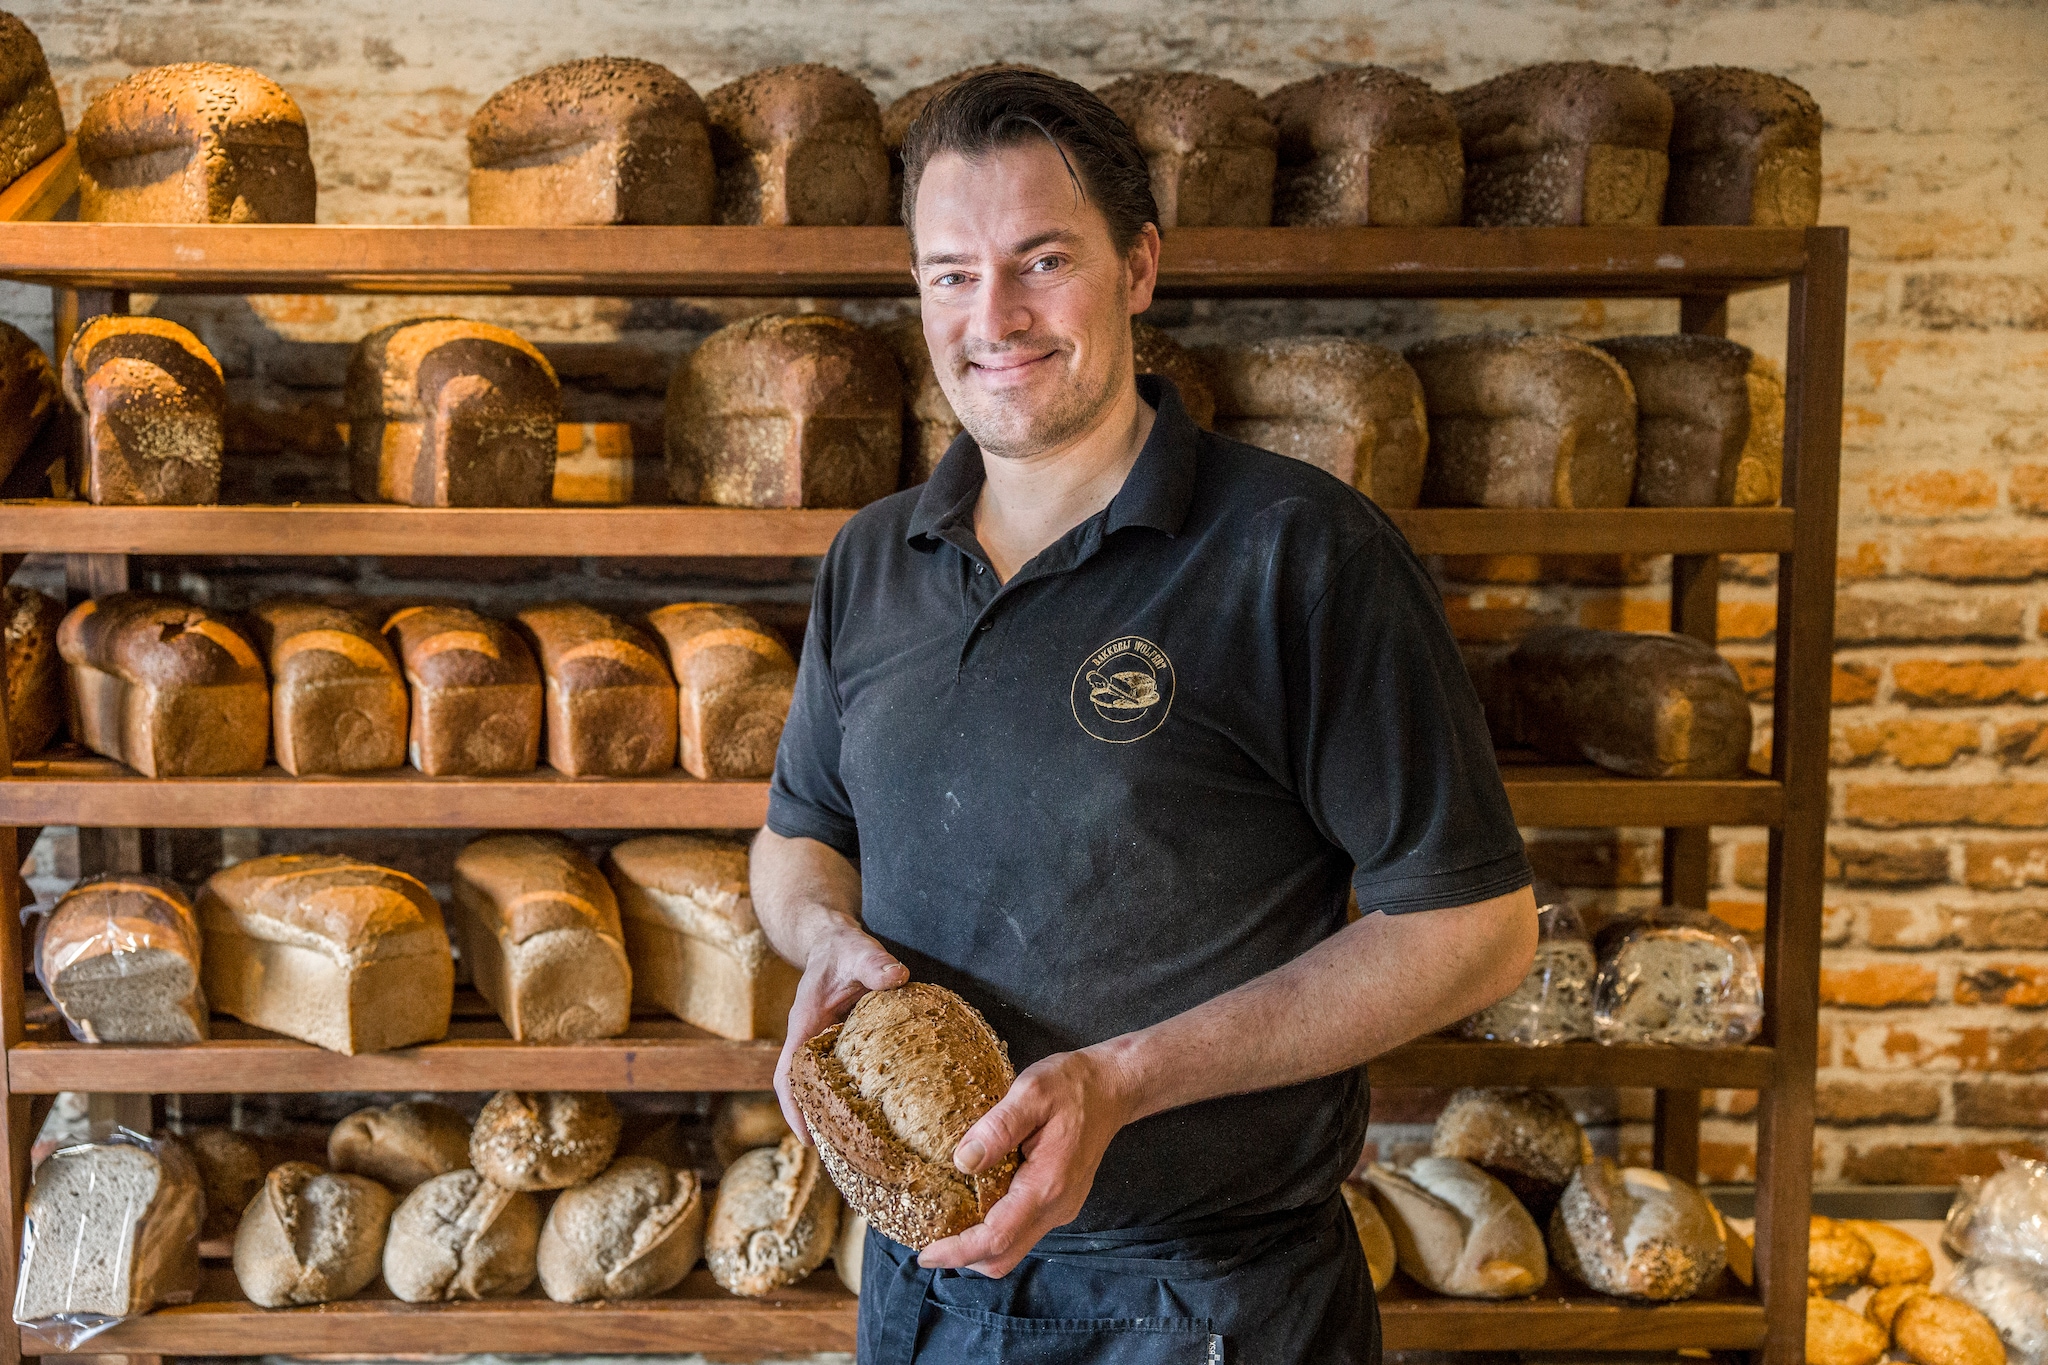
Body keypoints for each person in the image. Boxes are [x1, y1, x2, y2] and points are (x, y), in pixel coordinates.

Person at [752, 68, 1538, 1363]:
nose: (992, 317)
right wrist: (822, 935)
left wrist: (1123, 1082)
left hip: (1206, 1302)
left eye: (1042, 261)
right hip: (917, 1288)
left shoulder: (1299, 552)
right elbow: (799, 837)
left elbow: (1475, 929)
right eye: (951, 274)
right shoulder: (874, 559)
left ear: (1139, 268)